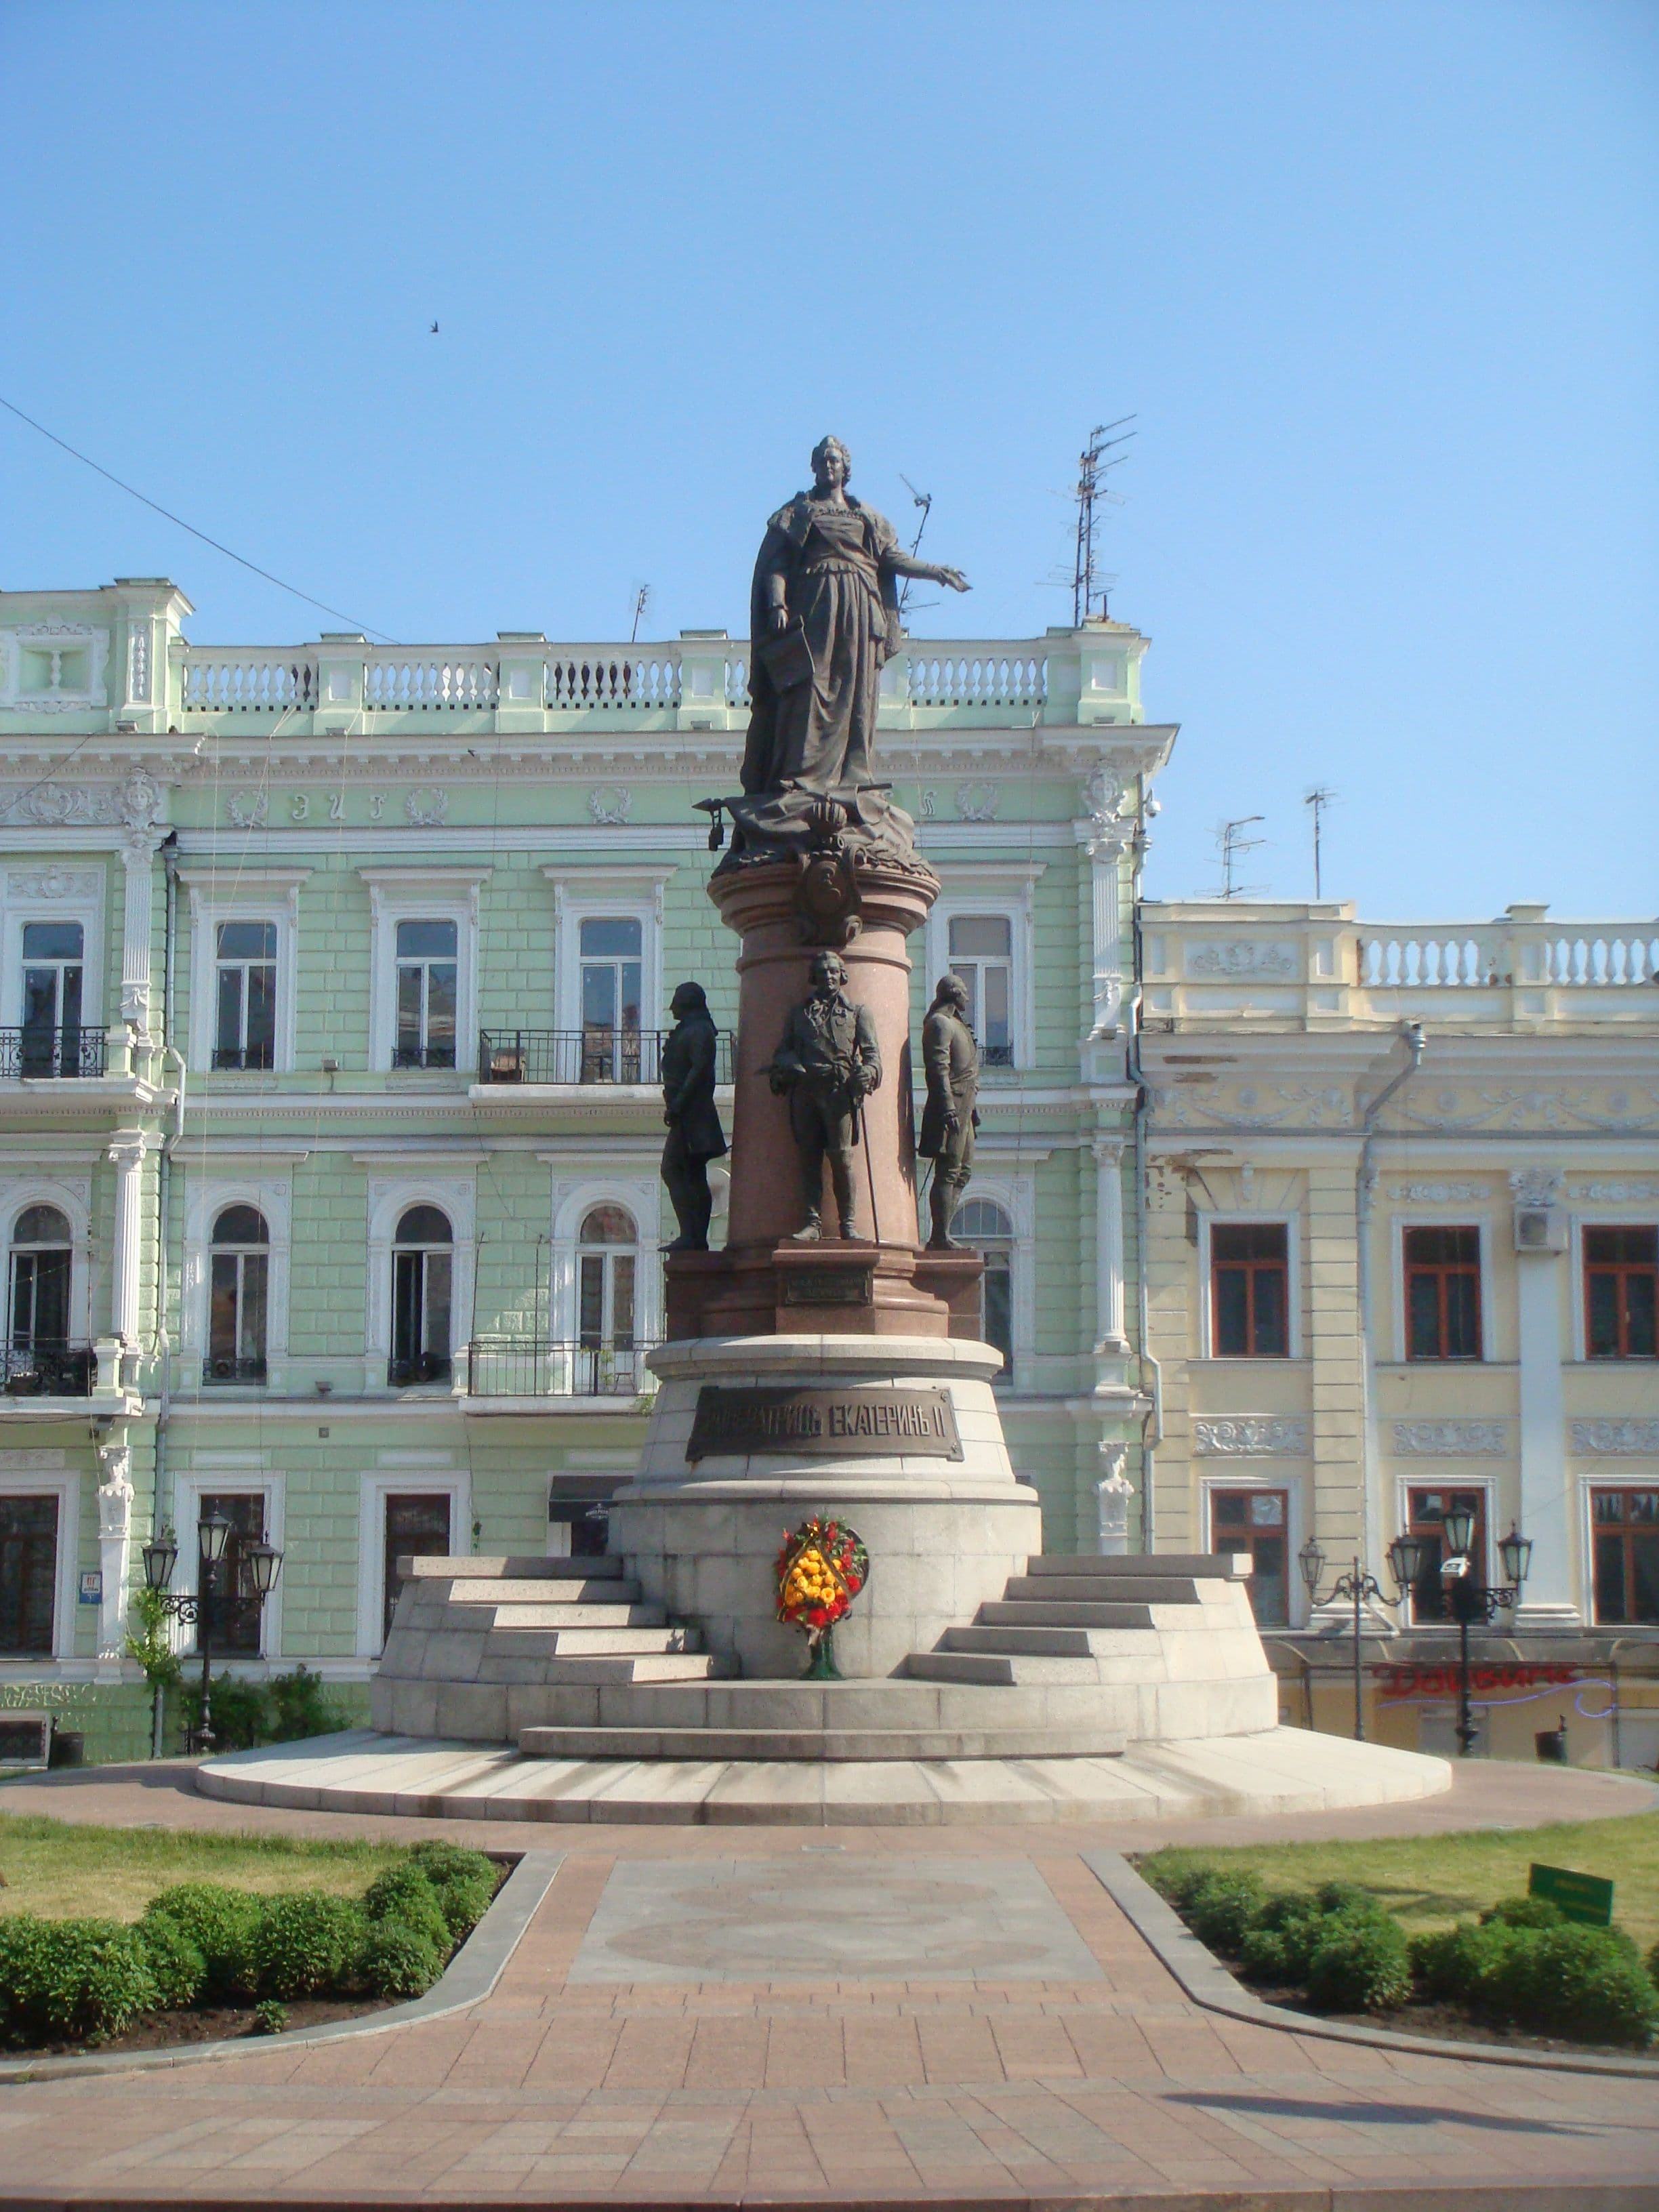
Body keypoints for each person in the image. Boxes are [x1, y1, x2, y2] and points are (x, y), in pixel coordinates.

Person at [741, 436, 969, 800]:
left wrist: (936, 572)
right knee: (810, 685)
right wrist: (777, 606)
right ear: (814, 467)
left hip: (861, 609)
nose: (829, 466)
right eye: (822, 461)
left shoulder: (866, 516)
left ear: (845, 469)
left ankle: (854, 773)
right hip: (814, 606)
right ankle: (800, 775)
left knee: (856, 687)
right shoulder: (798, 512)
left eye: (835, 461)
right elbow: (775, 565)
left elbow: (892, 558)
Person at [767, 951, 881, 1242]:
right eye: (822, 971)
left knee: (842, 1159)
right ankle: (812, 1223)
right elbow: (782, 1051)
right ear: (814, 976)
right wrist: (785, 1068)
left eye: (833, 972)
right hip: (805, 1091)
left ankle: (848, 1224)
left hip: (839, 1093)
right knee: (809, 1159)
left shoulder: (858, 1013)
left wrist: (868, 1074)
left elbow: (873, 1057)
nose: (828, 977)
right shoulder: (799, 1015)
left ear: (842, 976)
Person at [659, 982, 726, 1251]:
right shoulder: (691, 1029)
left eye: (676, 1000)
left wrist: (679, 1104)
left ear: (688, 1002)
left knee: (675, 1169)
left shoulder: (699, 1030)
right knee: (690, 1173)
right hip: (687, 1111)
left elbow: (699, 1071)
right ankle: (694, 1236)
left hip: (693, 1113)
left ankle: (693, 1235)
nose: (672, 1006)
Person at [917, 974, 980, 1250]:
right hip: (951, 1107)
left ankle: (943, 1231)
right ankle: (939, 1237)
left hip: (966, 1106)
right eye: (965, 992)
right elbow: (938, 1069)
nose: (968, 997)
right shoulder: (940, 1023)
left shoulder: (957, 1025)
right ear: (954, 993)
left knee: (963, 1170)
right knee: (949, 1171)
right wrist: (948, 1108)